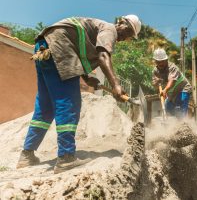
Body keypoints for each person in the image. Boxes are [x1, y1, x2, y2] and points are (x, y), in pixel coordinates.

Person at [16, 14, 141, 174]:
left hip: (43, 47)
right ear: (121, 23)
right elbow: (103, 56)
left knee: (45, 107)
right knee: (69, 103)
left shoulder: (96, 30)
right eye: (128, 31)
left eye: (130, 36)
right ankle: (66, 157)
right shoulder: (109, 29)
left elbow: (76, 49)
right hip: (58, 48)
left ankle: (27, 154)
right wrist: (116, 85)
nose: (126, 37)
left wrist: (87, 78)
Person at [152, 48, 192, 119]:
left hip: (183, 88)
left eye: (162, 61)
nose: (160, 63)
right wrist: (156, 82)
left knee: (181, 107)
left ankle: (183, 125)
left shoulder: (172, 67)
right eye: (158, 62)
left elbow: (172, 81)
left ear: (166, 60)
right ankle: (172, 126)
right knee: (168, 109)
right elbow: (154, 85)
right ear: (155, 61)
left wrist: (165, 90)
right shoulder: (155, 71)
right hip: (172, 92)